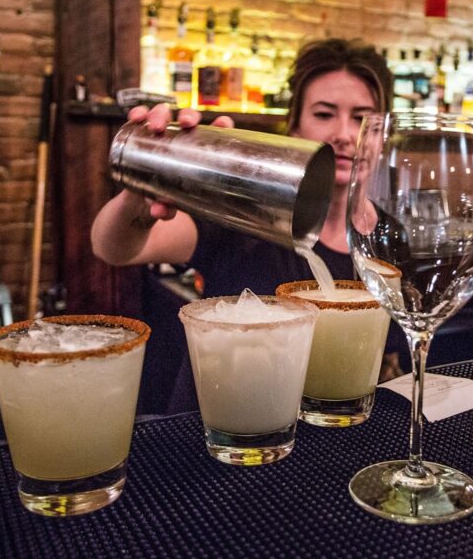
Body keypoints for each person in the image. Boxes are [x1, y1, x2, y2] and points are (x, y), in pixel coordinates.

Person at [91, 37, 402, 412]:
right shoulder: (247, 214)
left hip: (344, 441)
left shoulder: (392, 238)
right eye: (324, 114)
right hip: (228, 438)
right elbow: (114, 248)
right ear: (295, 129)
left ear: (383, 136)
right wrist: (138, 198)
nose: (345, 133)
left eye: (363, 118)